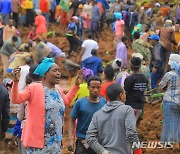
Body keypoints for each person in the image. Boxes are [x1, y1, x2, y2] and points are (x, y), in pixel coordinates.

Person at [10, 57, 82, 153]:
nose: (58, 73)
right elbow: (16, 99)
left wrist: (76, 85)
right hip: (38, 144)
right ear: (45, 74)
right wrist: (15, 82)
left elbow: (67, 101)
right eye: (55, 70)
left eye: (59, 71)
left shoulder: (58, 90)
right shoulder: (34, 88)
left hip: (56, 142)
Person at [86, 83, 142, 154]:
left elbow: (89, 137)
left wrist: (103, 151)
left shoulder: (97, 115)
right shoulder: (127, 110)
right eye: (124, 93)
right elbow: (131, 132)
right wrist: (137, 151)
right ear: (121, 96)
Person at [68, 75, 106, 154]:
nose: (95, 90)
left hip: (99, 143)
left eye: (98, 87)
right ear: (88, 87)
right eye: (93, 87)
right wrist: (70, 139)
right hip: (83, 143)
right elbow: (72, 120)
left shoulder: (104, 102)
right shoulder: (80, 103)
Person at [159, 54, 180, 144]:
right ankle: (176, 140)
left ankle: (168, 142)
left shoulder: (169, 74)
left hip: (169, 101)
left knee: (168, 121)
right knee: (177, 122)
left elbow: (161, 86)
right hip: (178, 102)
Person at [124, 57, 148, 122]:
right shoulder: (145, 78)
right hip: (140, 107)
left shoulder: (129, 79)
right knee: (134, 126)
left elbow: (125, 93)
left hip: (130, 106)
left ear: (131, 66)